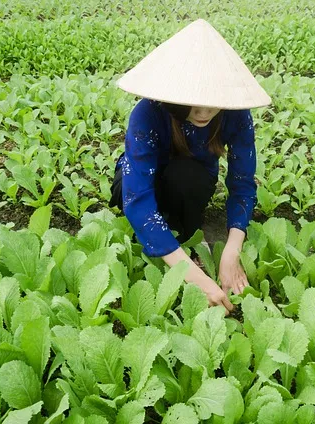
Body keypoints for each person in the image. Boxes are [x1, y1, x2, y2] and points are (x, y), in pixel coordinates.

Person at [108, 19, 272, 314]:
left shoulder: (236, 115)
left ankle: (186, 235)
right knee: (125, 190)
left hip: (190, 182)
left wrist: (232, 250)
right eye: (193, 102)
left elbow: (243, 183)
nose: (203, 112)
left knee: (187, 177)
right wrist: (193, 276)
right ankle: (170, 246)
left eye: (212, 102)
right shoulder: (147, 113)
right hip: (142, 181)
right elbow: (137, 197)